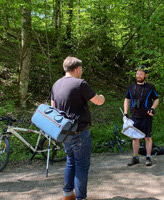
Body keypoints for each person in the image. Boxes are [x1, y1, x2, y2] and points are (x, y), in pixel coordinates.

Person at [51, 56, 105, 200]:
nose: (81, 71)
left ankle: (67, 194)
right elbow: (98, 101)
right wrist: (102, 97)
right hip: (80, 131)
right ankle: (81, 197)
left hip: (64, 132)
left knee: (70, 161)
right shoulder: (80, 84)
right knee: (81, 166)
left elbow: (53, 108)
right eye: (81, 69)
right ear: (76, 69)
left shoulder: (56, 85)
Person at [124, 65, 159, 167]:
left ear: (145, 75)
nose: (138, 75)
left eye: (141, 74)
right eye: (137, 73)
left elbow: (156, 99)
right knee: (135, 138)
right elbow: (126, 99)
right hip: (134, 116)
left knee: (147, 137)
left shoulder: (150, 87)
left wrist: (152, 108)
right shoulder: (131, 88)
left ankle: (148, 157)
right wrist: (125, 113)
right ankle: (135, 157)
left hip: (147, 116)